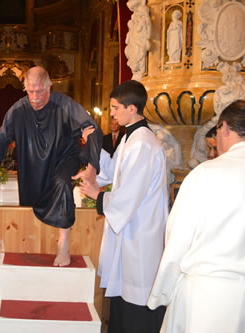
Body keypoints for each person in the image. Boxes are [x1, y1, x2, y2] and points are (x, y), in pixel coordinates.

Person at [147, 100, 245, 332]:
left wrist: (162, 292)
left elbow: (178, 240)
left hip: (208, 299)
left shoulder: (206, 174)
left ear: (225, 128)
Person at [74, 80, 168, 333]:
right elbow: (115, 172)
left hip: (140, 232)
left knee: (136, 300)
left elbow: (129, 193)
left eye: (115, 108)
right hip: (131, 230)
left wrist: (98, 195)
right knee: (124, 298)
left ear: (132, 108)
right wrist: (93, 148)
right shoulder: (132, 137)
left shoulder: (143, 143)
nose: (112, 113)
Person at [0, 66, 102, 266]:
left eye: (39, 91)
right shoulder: (17, 110)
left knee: (62, 182)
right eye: (30, 91)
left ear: (49, 87)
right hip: (33, 161)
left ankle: (63, 243)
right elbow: (3, 140)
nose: (35, 97)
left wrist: (91, 166)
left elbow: (92, 130)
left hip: (66, 157)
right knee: (32, 194)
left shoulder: (65, 105)